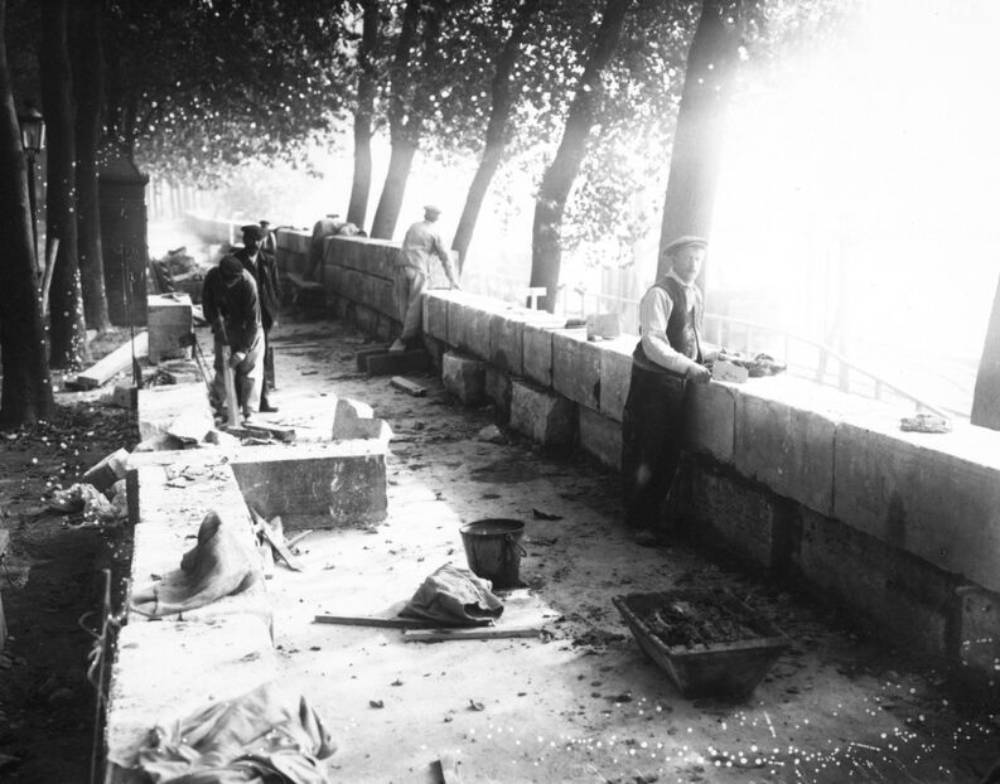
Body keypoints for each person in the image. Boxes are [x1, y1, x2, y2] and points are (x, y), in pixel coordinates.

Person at [621, 235, 716, 543]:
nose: (693, 265)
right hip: (653, 385)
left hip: (676, 383)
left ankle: (655, 515)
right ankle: (637, 520)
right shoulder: (659, 294)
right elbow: (654, 343)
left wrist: (713, 356)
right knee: (647, 449)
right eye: (688, 258)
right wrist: (689, 367)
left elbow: (691, 336)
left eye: (698, 259)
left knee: (669, 451)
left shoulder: (695, 293)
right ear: (672, 260)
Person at [201, 255, 264, 422]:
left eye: (234, 280)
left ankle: (249, 412)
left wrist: (243, 351)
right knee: (223, 368)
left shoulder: (248, 283)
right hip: (227, 326)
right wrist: (217, 325)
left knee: (248, 370)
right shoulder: (212, 277)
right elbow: (208, 306)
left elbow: (253, 322)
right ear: (221, 275)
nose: (231, 283)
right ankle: (225, 410)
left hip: (248, 328)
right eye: (228, 280)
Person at [389, 204, 460, 352]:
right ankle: (405, 339)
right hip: (417, 269)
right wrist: (453, 280)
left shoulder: (414, 226)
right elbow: (446, 258)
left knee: (403, 304)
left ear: (425, 214)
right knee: (414, 305)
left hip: (401, 265)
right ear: (436, 217)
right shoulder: (436, 232)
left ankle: (403, 336)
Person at [235, 224, 281, 413]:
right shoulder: (236, 261)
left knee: (264, 359)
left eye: (258, 240)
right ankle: (239, 400)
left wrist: (274, 314)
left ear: (263, 241)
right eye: (251, 239)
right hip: (243, 318)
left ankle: (263, 399)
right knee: (241, 357)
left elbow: (276, 289)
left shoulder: (268, 261)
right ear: (244, 240)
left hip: (264, 317)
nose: (255, 243)